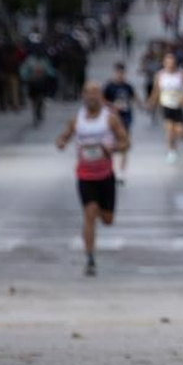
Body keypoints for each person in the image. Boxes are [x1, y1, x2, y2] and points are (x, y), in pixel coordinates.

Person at [55, 82, 129, 277]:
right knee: (89, 213)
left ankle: (98, 213)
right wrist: (61, 142)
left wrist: (111, 149)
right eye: (88, 93)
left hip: (105, 175)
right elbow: (63, 137)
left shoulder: (110, 118)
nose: (92, 96)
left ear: (101, 96)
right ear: (83, 96)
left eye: (95, 93)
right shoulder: (76, 120)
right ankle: (90, 258)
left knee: (107, 220)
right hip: (85, 175)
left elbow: (125, 142)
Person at [148, 52, 183, 163]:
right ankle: (171, 151)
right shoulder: (160, 75)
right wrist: (152, 102)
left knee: (180, 131)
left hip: (177, 105)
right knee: (169, 130)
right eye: (167, 63)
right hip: (166, 104)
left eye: (172, 63)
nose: (170, 65)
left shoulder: (180, 74)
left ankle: (174, 141)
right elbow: (156, 90)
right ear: (164, 63)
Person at [102, 62, 138, 183]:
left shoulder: (128, 86)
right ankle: (110, 170)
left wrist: (145, 106)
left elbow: (134, 97)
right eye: (118, 73)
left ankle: (121, 172)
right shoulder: (109, 86)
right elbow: (102, 101)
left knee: (124, 145)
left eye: (122, 73)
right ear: (114, 73)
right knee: (111, 145)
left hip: (125, 119)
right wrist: (112, 106)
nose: (120, 76)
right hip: (112, 120)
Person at [19, 44, 53, 127]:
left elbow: (49, 70)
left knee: (41, 99)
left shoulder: (44, 60)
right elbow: (23, 71)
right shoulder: (30, 60)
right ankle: (36, 114)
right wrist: (27, 77)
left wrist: (50, 75)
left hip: (42, 83)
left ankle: (39, 112)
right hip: (33, 83)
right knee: (34, 100)